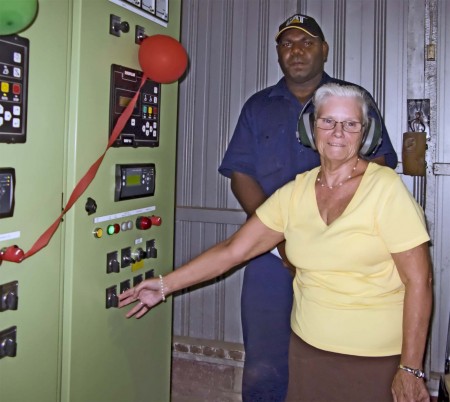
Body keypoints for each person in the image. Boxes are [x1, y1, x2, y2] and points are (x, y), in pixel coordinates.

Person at [119, 83, 432, 402]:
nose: (337, 132)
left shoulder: (386, 190)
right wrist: (163, 285)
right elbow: (233, 251)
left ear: (363, 133)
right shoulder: (295, 193)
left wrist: (410, 368)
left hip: (375, 361)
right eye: (328, 121)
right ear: (312, 128)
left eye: (350, 124)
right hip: (306, 353)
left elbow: (419, 280)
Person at [217, 13, 398, 401]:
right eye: (287, 44)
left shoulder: (352, 101)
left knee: (334, 358)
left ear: (324, 50)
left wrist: (330, 229)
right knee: (265, 358)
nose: (296, 51)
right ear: (278, 54)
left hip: (340, 255)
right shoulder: (258, 107)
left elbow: (378, 163)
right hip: (270, 254)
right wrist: (277, 235)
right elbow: (241, 173)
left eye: (307, 43)